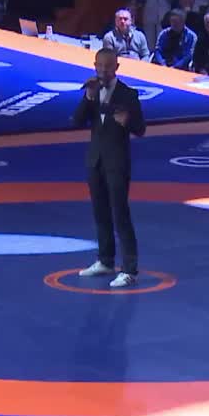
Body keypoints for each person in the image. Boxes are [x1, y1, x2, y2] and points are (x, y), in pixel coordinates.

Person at [73, 48, 146, 288]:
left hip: (117, 163)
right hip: (95, 161)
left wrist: (128, 122)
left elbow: (141, 129)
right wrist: (88, 97)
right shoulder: (92, 90)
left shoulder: (128, 94)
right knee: (100, 213)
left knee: (120, 215)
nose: (103, 70)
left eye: (108, 66)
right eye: (99, 66)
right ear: (95, 65)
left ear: (116, 67)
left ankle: (129, 270)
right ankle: (105, 260)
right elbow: (76, 121)